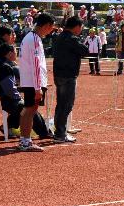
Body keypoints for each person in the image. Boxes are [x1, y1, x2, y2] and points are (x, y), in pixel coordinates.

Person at [16, 13, 56, 152]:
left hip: (30, 81)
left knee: (28, 110)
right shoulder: (33, 39)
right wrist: (38, 87)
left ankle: (24, 140)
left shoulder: (31, 38)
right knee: (30, 110)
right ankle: (25, 141)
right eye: (51, 28)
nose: (51, 31)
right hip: (33, 83)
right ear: (46, 26)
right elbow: (36, 64)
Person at [52, 16, 88, 143]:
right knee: (66, 105)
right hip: (68, 76)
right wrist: (80, 40)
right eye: (81, 27)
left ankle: (58, 131)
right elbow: (85, 51)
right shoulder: (72, 39)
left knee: (60, 104)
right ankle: (60, 134)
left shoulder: (58, 37)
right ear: (77, 27)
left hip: (58, 74)